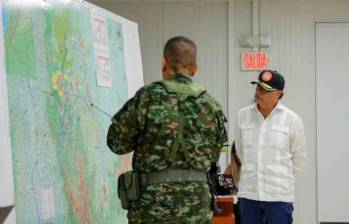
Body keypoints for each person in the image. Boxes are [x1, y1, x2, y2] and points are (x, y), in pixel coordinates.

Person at [107, 36, 227, 223]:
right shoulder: (212, 106)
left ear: (164, 63)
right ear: (195, 69)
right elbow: (213, 157)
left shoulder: (147, 97)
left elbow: (117, 143)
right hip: (196, 208)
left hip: (152, 207)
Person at [234, 70, 306, 224]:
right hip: (249, 195)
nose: (259, 92)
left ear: (279, 94)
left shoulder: (292, 120)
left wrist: (278, 175)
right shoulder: (242, 115)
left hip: (279, 198)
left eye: (265, 90)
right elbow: (240, 152)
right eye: (258, 87)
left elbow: (299, 159)